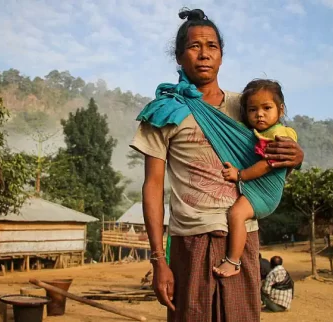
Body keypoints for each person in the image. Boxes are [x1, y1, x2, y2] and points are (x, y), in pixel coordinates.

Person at [130, 8, 304, 321]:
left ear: (221, 56)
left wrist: (298, 156)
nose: (204, 54)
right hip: (190, 241)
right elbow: (152, 185)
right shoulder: (163, 112)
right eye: (194, 47)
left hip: (242, 239)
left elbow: (279, 149)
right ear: (179, 57)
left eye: (212, 46)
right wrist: (158, 259)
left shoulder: (248, 106)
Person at [213, 79, 297, 277]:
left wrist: (239, 174)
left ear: (281, 109)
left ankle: (233, 261)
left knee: (236, 215)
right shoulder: (258, 132)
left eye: (267, 108)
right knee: (235, 215)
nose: (259, 114)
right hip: (255, 187)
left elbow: (268, 164)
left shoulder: (279, 134)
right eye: (252, 110)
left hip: (264, 192)